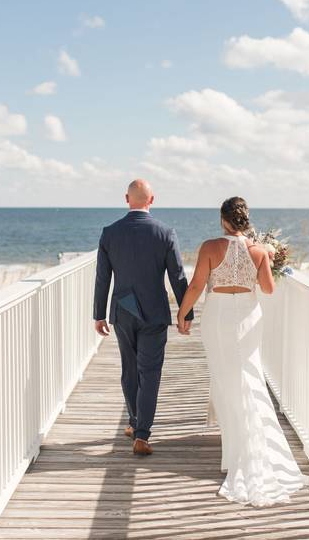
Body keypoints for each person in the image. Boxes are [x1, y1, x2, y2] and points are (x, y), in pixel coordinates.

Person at [176, 196, 309, 506]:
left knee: (225, 380)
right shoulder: (259, 250)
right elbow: (267, 289)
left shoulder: (210, 247)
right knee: (250, 379)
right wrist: (268, 258)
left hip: (220, 317)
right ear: (245, 220)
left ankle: (238, 452)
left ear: (223, 219)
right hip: (249, 317)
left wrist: (182, 313)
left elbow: (197, 285)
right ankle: (254, 449)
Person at [93, 179, 193, 455]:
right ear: (152, 199)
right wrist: (186, 312)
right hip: (154, 313)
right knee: (149, 372)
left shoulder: (110, 233)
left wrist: (99, 314)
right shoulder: (165, 233)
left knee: (129, 368)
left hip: (123, 311)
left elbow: (103, 278)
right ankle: (142, 435)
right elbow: (178, 277)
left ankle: (135, 421)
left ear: (127, 198)